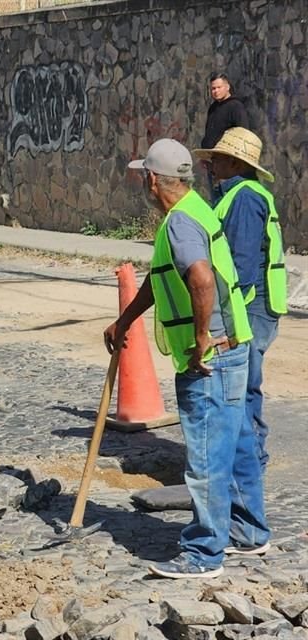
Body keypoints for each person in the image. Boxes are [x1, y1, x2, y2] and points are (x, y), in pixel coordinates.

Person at [104, 139, 268, 579]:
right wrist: (125, 321)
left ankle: (203, 554)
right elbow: (163, 280)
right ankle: (249, 533)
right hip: (233, 346)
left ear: (153, 180)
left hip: (209, 359)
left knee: (207, 457)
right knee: (236, 445)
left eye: (144, 176)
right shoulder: (197, 208)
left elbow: (199, 277)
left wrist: (199, 337)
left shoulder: (179, 223)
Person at [194, 127, 287, 473]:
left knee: (243, 386)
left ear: (233, 162)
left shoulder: (244, 198)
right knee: (243, 385)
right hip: (255, 306)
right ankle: (246, 457)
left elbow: (242, 266)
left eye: (216, 158)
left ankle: (249, 461)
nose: (211, 164)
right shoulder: (238, 192)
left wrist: (232, 325)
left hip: (251, 308)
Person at [200, 73, 249, 193]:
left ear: (227, 87)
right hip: (213, 162)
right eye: (213, 88)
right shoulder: (213, 108)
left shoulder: (235, 106)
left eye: (218, 87)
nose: (215, 91)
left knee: (227, 195)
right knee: (216, 197)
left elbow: (242, 133)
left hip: (227, 163)